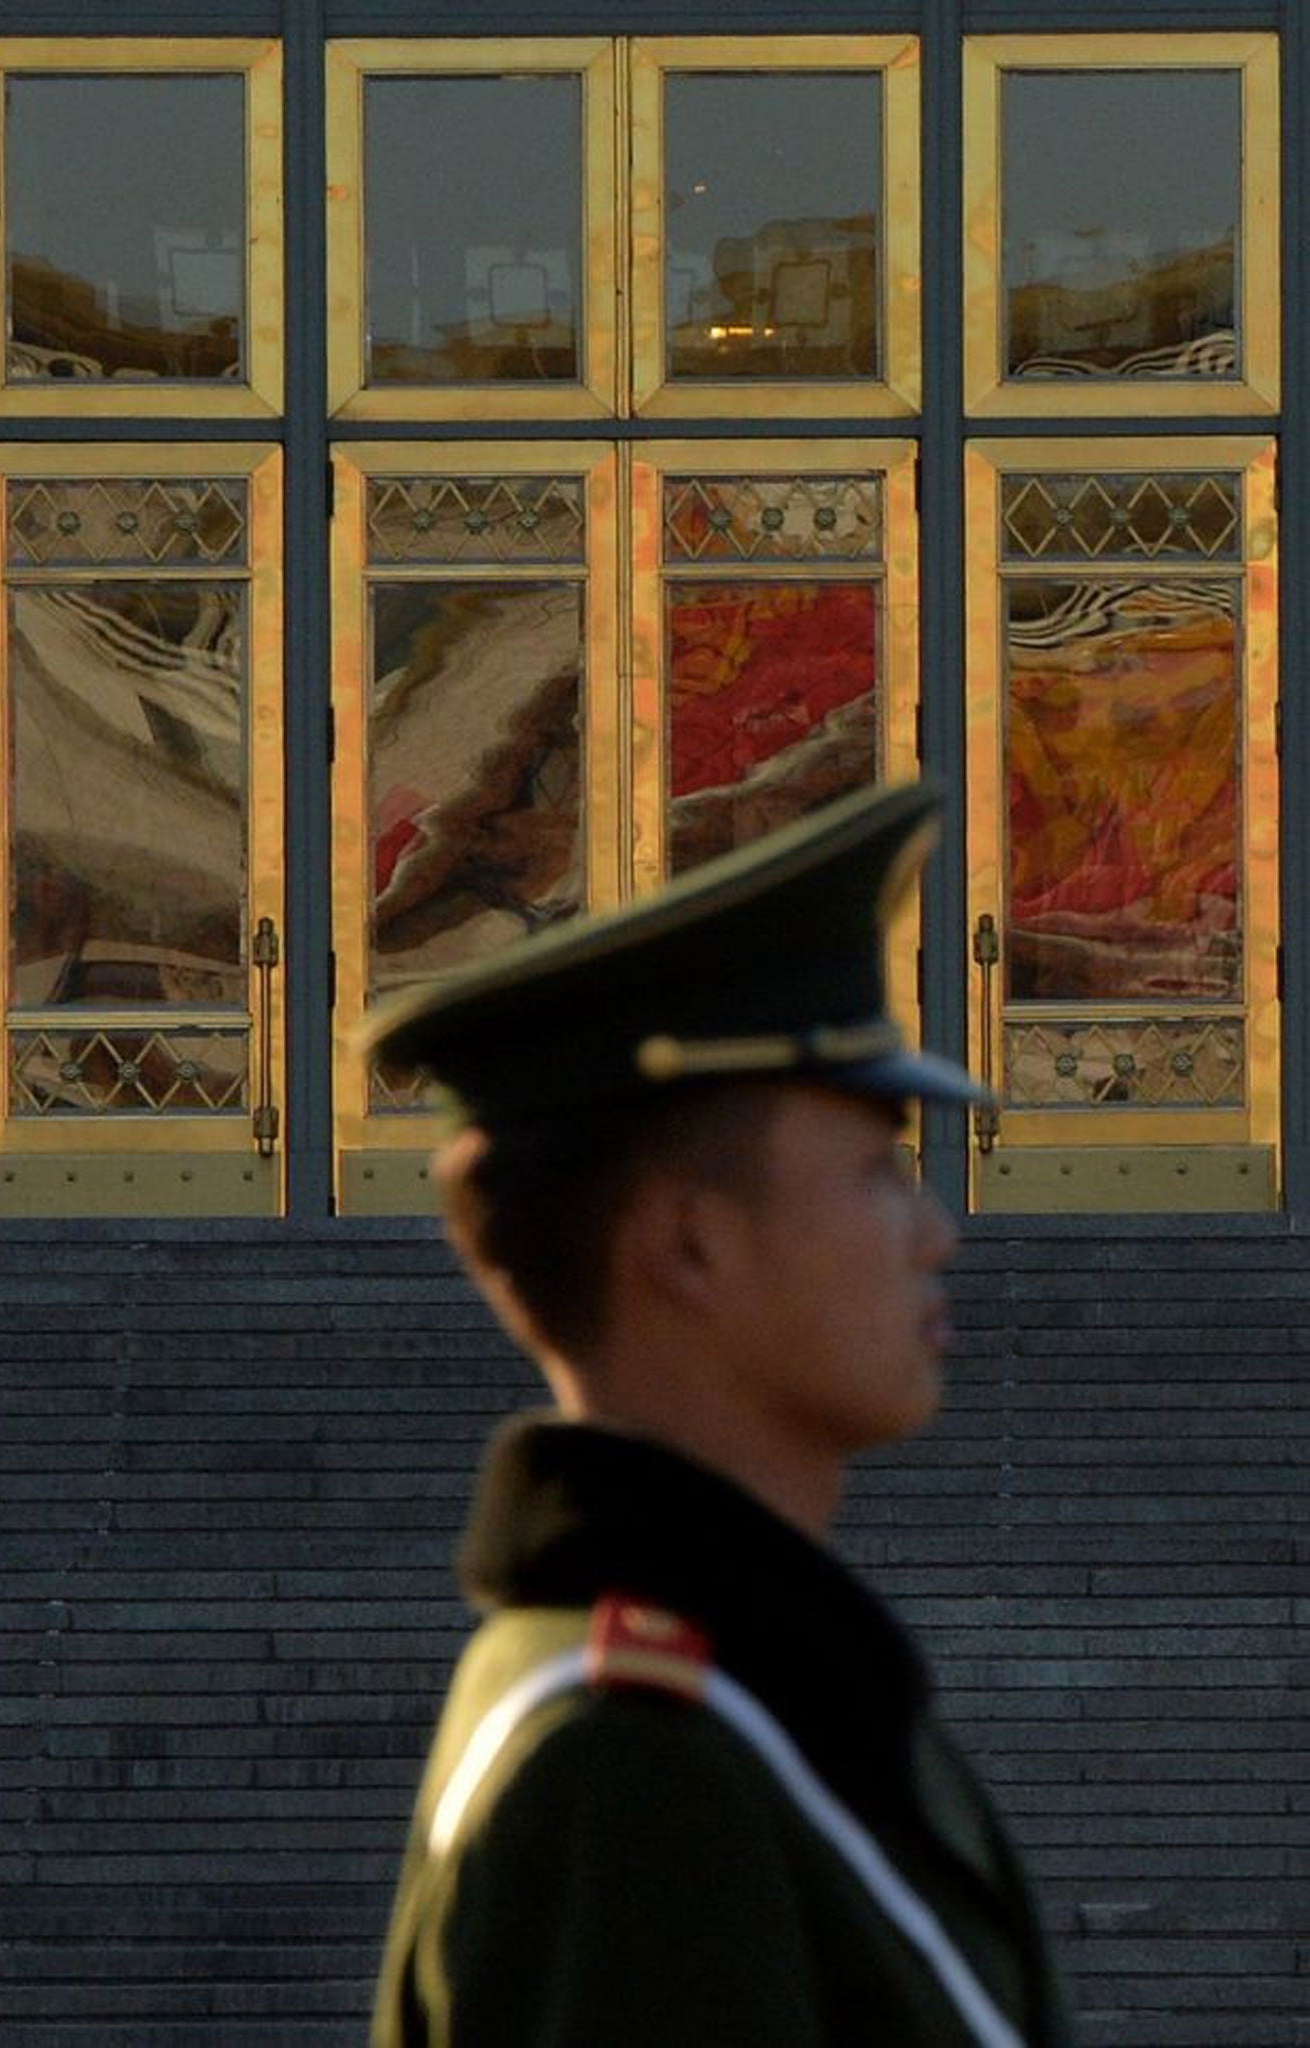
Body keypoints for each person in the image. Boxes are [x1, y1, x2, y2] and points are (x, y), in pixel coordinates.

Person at [364, 780, 1074, 2048]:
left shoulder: (741, 1690)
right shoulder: (630, 1765)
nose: (934, 1235)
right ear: (688, 1242)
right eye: (874, 1170)